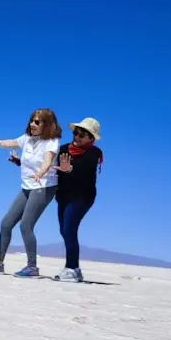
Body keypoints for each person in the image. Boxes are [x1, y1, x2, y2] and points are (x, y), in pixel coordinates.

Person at [0, 108, 62, 277]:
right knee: (6, 223)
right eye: (32, 120)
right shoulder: (27, 139)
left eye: (37, 121)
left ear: (47, 124)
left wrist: (41, 172)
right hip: (27, 186)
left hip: (43, 186)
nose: (32, 124)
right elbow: (10, 143)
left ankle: (32, 267)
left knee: (26, 225)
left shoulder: (51, 142)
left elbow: (47, 161)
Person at [52, 117, 104, 282]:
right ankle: (74, 269)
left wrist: (69, 169)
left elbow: (85, 172)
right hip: (63, 196)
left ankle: (72, 268)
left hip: (82, 196)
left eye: (83, 134)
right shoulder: (63, 149)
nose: (78, 136)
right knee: (64, 230)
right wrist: (21, 163)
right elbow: (46, 164)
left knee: (69, 229)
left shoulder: (93, 153)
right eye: (76, 133)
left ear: (91, 138)